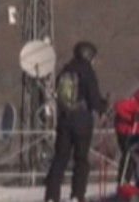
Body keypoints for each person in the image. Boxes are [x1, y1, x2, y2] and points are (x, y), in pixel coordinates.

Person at [45, 41, 107, 202]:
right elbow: (93, 98)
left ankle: (52, 196)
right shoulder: (87, 71)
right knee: (81, 159)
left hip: (64, 119)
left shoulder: (65, 70)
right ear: (88, 55)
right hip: (82, 120)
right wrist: (103, 108)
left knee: (60, 159)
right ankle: (77, 195)